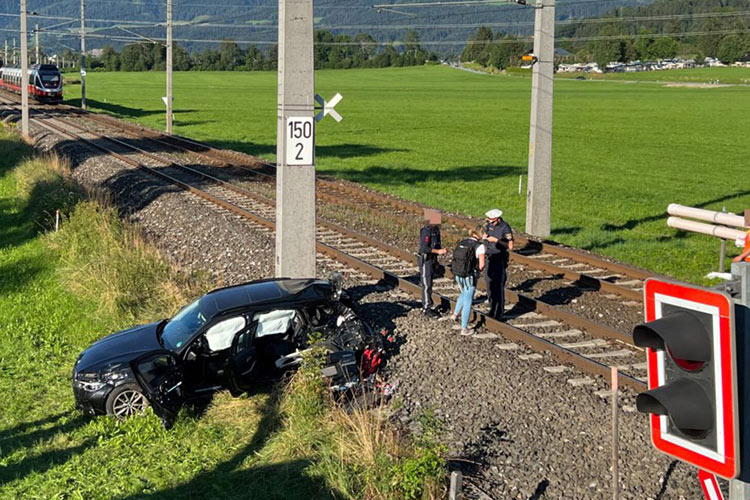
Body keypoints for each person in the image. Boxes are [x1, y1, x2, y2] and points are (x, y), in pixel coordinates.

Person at [450, 225, 486, 335]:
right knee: (468, 300)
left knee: (464, 293)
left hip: (458, 274)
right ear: (480, 234)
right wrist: (478, 271)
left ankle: (455, 315)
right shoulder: (480, 246)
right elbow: (482, 265)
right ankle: (464, 328)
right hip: (469, 276)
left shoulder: (463, 242)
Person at [483, 208, 514, 320]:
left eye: (491, 221)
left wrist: (496, 241)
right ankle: (492, 308)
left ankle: (499, 311)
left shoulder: (504, 227)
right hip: (488, 257)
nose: (489, 222)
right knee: (489, 283)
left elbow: (510, 246)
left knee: (498, 285)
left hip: (499, 258)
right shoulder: (487, 225)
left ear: (497, 219)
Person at [419, 208, 447, 317]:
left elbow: (437, 244)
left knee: (430, 282)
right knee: (427, 284)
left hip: (433, 259)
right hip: (426, 260)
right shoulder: (426, 231)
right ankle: (426, 307)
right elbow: (424, 248)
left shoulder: (436, 231)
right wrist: (438, 251)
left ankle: (429, 304)